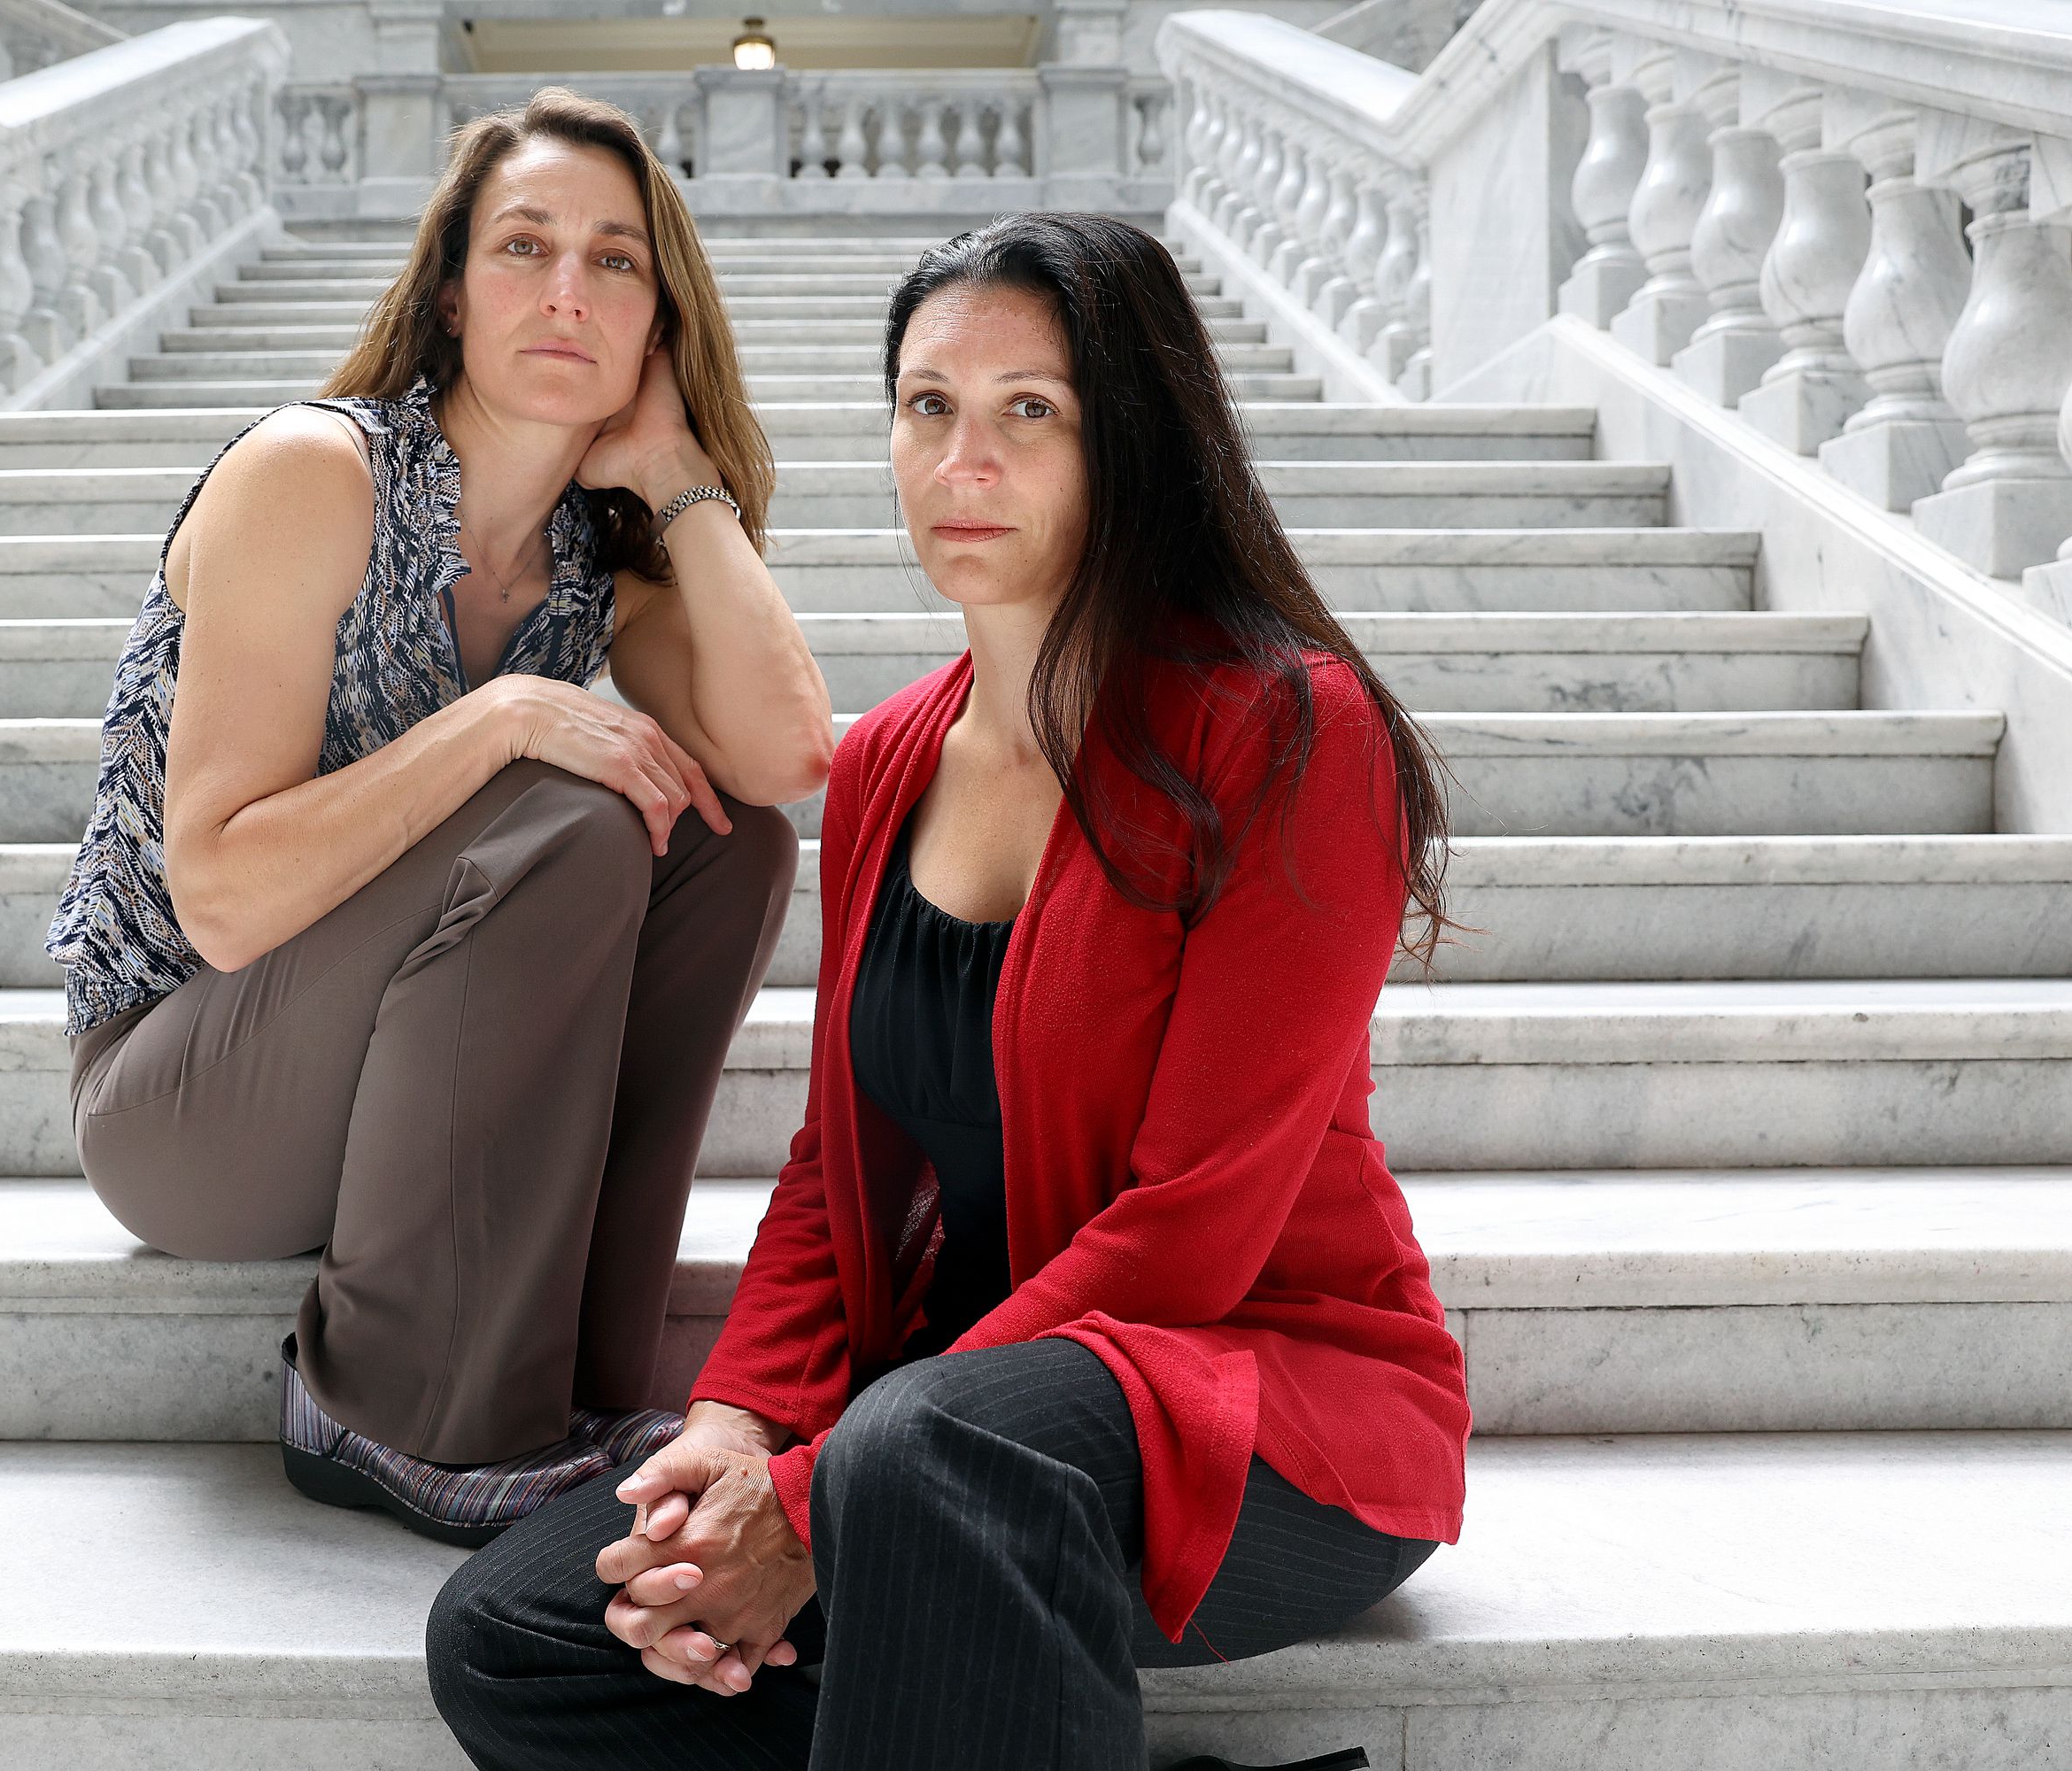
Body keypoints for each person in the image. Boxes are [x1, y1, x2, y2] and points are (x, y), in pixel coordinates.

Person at [425, 211, 1474, 1771]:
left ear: (1134, 441)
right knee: (517, 1631)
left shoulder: (1288, 735)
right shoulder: (889, 764)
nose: (962, 461)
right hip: (942, 1432)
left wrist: (809, 1494)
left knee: (916, 1459)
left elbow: (1194, 1226)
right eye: (929, 408)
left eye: (1028, 413)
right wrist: (730, 1432)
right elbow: (827, 1178)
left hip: (1260, 1413)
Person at [44, 89, 834, 1544]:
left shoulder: (591, 562)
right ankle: (386, 1402)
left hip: (384, 1097)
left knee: (723, 843)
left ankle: (576, 1381)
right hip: (185, 1102)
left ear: (657, 321)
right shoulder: (316, 475)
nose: (566, 291)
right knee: (572, 813)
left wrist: (671, 477)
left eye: (615, 262)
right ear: (452, 293)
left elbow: (786, 757)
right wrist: (499, 719)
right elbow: (214, 891)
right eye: (524, 246)